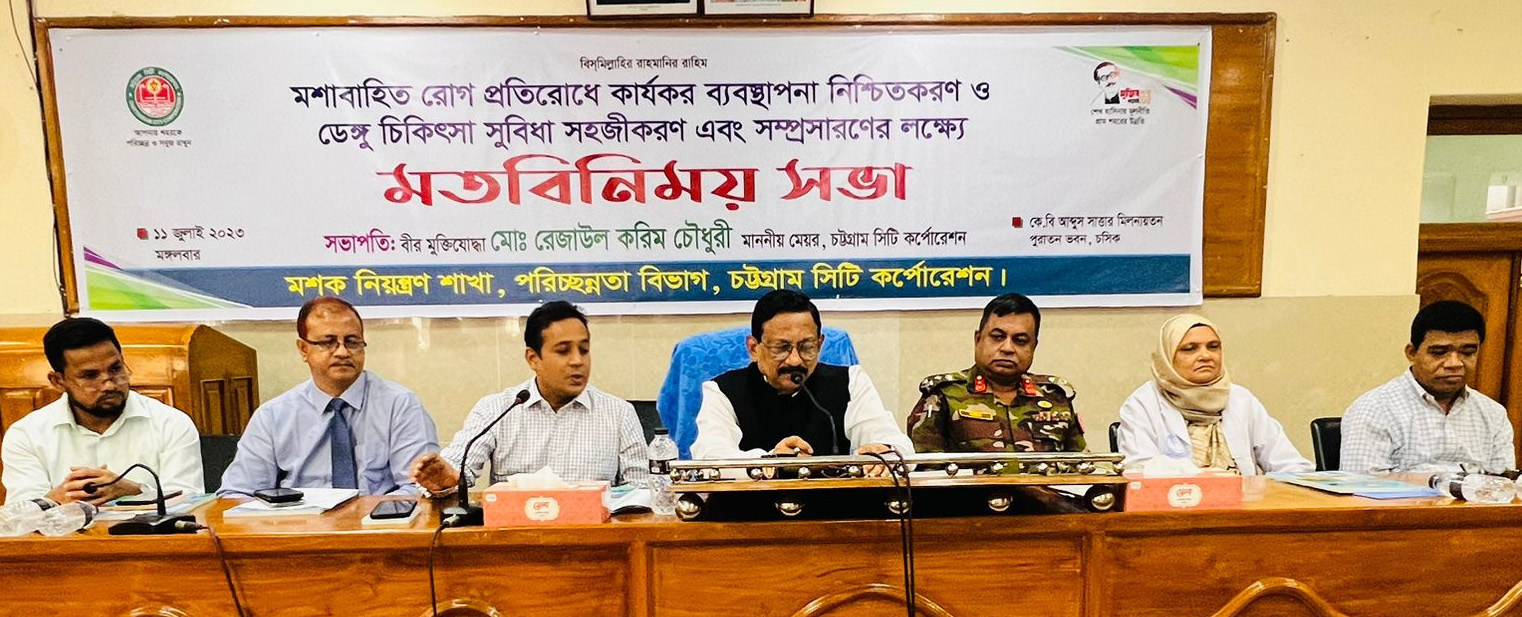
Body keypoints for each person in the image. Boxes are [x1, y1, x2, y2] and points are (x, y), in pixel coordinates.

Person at [410, 301, 648, 496]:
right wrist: (444, 479)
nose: (577, 361)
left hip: (595, 537)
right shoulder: (497, 409)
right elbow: (457, 469)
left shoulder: (619, 413)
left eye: (584, 350)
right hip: (516, 537)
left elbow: (642, 491)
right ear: (533, 358)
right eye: (563, 351)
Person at [219, 297, 439, 497]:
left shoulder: (400, 405)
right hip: (299, 525)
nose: (342, 352)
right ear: (303, 349)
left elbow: (421, 488)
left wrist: (371, 515)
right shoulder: (273, 416)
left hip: (379, 523)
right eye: (328, 342)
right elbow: (237, 493)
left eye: (352, 342)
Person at [691, 290, 912, 468]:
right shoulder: (722, 391)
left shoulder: (851, 382)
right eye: (781, 348)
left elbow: (898, 446)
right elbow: (710, 456)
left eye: (807, 347)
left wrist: (884, 452)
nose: (795, 360)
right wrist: (771, 460)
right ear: (754, 348)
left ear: (820, 344)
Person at [2, 317, 202, 505]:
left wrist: (135, 491)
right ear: (58, 381)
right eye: (90, 376)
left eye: (116, 369)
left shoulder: (171, 423)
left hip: (150, 532)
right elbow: (19, 516)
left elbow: (192, 502)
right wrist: (57, 500)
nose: (109, 385)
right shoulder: (27, 435)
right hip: (66, 532)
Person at [1116, 314, 1312, 475]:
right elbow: (1138, 468)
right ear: (1167, 357)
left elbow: (1290, 464)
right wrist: (1206, 477)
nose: (1205, 356)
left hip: (1243, 506)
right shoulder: (1143, 403)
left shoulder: (1241, 399)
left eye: (1213, 346)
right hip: (1174, 505)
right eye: (1190, 349)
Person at [1340, 300, 1513, 474]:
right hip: (1404, 495)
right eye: (1439, 352)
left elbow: (1505, 482)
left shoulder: (1492, 413)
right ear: (1412, 353)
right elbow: (1359, 484)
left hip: (1478, 493)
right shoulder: (1374, 409)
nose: (1454, 363)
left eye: (1467, 352)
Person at [908, 293, 1086, 454]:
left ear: (1034, 346)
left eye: (1020, 341)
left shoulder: (1055, 398)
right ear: (978, 339)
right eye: (998, 337)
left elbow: (1083, 466)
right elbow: (925, 471)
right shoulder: (943, 395)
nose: (1007, 348)